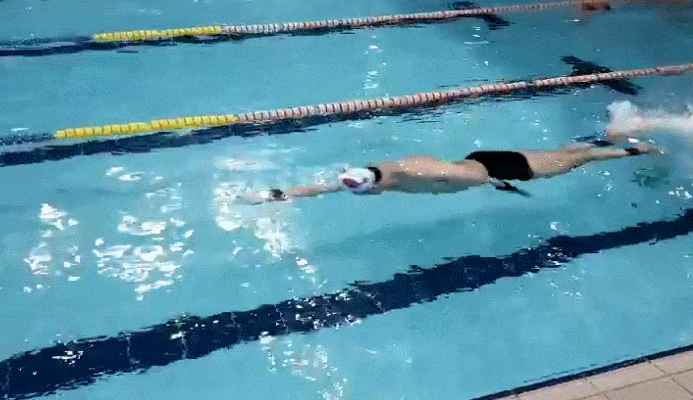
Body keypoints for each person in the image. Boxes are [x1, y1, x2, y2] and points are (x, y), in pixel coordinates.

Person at [240, 140, 658, 203]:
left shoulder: (410, 171)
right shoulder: (379, 175)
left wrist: (498, 183)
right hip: (479, 162)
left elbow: (469, 177)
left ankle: (634, 149)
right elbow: (325, 187)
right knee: (565, 156)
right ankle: (603, 141)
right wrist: (277, 195)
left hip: (496, 167)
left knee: (573, 162)